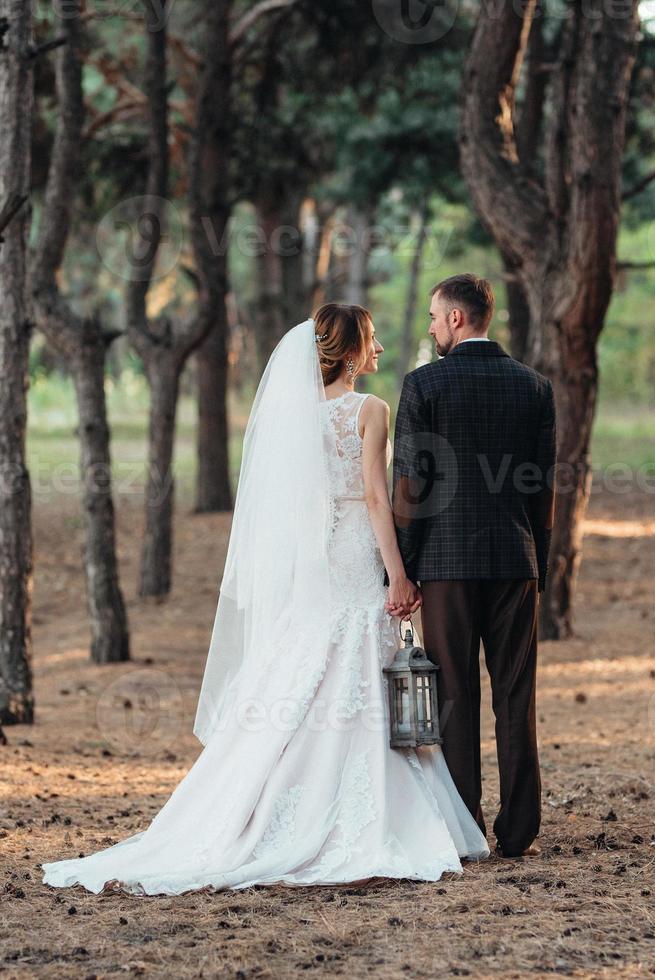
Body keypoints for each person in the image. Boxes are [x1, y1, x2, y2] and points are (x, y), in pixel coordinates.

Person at [41, 304, 489, 896]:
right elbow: (378, 502)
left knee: (307, 666)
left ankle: (262, 804)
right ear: (350, 350)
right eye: (373, 340)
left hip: (316, 563)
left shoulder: (293, 416)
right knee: (353, 660)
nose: (378, 350)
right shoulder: (371, 410)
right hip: (357, 553)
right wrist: (399, 575)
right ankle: (359, 813)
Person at [392, 274, 557, 859]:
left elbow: (411, 486)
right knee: (516, 694)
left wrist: (403, 570)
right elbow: (542, 489)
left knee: (454, 695)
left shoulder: (423, 385)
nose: (433, 328)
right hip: (517, 561)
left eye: (436, 318)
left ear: (457, 319)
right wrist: (537, 557)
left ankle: (464, 831)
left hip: (446, 566)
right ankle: (519, 832)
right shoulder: (534, 388)